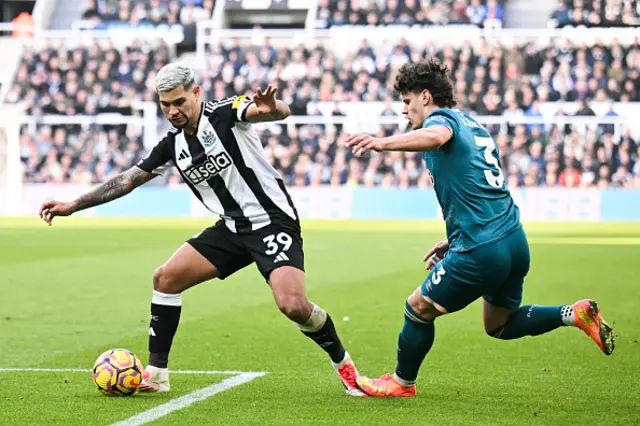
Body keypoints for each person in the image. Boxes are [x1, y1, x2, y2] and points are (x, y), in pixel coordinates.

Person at [39, 63, 365, 397]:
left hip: (270, 221)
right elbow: (126, 180)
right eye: (165, 104)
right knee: (166, 278)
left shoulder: (225, 113)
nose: (173, 111)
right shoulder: (172, 146)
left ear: (196, 93)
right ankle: (157, 374)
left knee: (293, 305)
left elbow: (270, 111)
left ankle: (346, 367)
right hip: (231, 228)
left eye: (179, 102)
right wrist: (72, 205)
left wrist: (272, 109)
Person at [344, 59, 615, 397]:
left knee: (417, 309)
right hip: (514, 240)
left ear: (425, 96)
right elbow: (478, 187)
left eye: (407, 101)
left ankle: (402, 382)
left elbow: (435, 135)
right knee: (499, 324)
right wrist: (454, 237)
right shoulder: (473, 125)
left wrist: (382, 143)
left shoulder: (441, 121)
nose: (403, 110)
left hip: (483, 248)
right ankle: (573, 315)